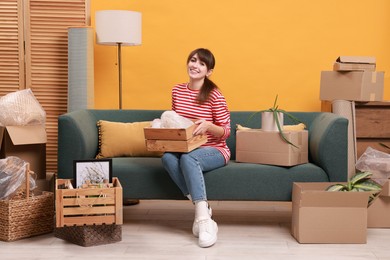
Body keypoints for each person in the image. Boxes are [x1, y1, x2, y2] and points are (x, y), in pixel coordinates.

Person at [161, 48, 231, 248]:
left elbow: (226, 131)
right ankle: (204, 208)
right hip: (186, 147)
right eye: (193, 61)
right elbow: (176, 124)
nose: (195, 66)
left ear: (208, 71)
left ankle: (203, 220)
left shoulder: (214, 95)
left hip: (215, 150)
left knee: (188, 159)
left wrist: (209, 126)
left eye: (202, 63)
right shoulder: (177, 91)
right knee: (167, 158)